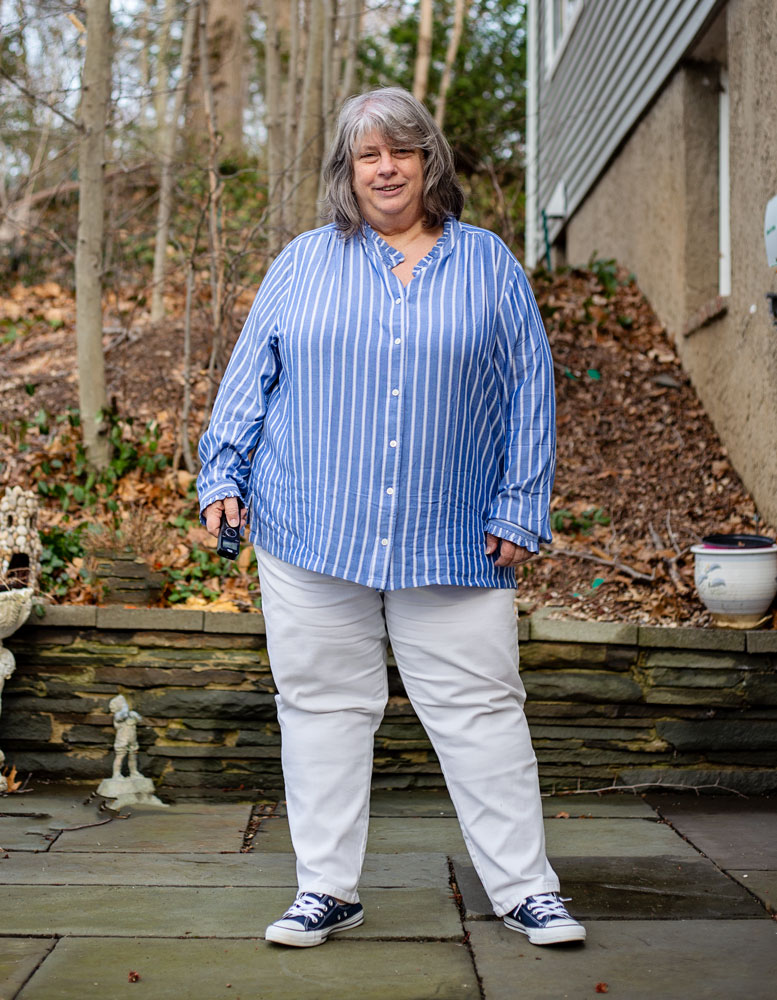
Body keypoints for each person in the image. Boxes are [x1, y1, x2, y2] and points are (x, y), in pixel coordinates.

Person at [198, 87, 585, 950]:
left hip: (451, 532)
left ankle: (526, 890)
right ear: (346, 170)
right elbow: (249, 374)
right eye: (367, 155)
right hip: (312, 525)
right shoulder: (303, 261)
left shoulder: (488, 264)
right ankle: (325, 890)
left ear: (426, 161)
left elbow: (530, 391)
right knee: (322, 707)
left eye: (400, 152)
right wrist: (221, 472)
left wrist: (520, 501)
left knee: (481, 709)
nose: (384, 168)